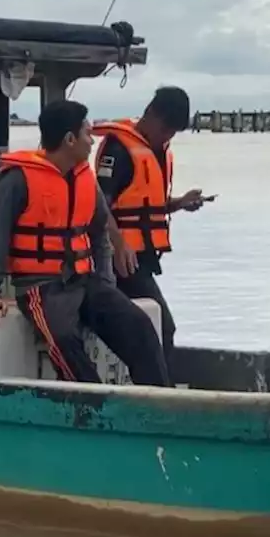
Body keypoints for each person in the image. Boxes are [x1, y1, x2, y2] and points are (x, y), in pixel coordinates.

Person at [0, 99, 173, 387]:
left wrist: (105, 281)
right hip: (40, 288)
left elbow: (99, 235)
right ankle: (93, 405)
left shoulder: (85, 180)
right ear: (69, 140)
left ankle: (158, 404)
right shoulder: (18, 180)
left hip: (85, 281)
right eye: (86, 133)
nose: (91, 141)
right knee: (65, 340)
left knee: (139, 325)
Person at [91, 86, 203, 379]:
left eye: (173, 133)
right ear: (151, 113)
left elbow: (141, 207)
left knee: (152, 327)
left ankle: (155, 388)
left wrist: (179, 203)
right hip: (120, 261)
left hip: (142, 257)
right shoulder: (119, 149)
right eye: (166, 128)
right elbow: (98, 204)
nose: (167, 137)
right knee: (162, 326)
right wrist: (118, 243)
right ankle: (159, 394)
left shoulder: (152, 149)